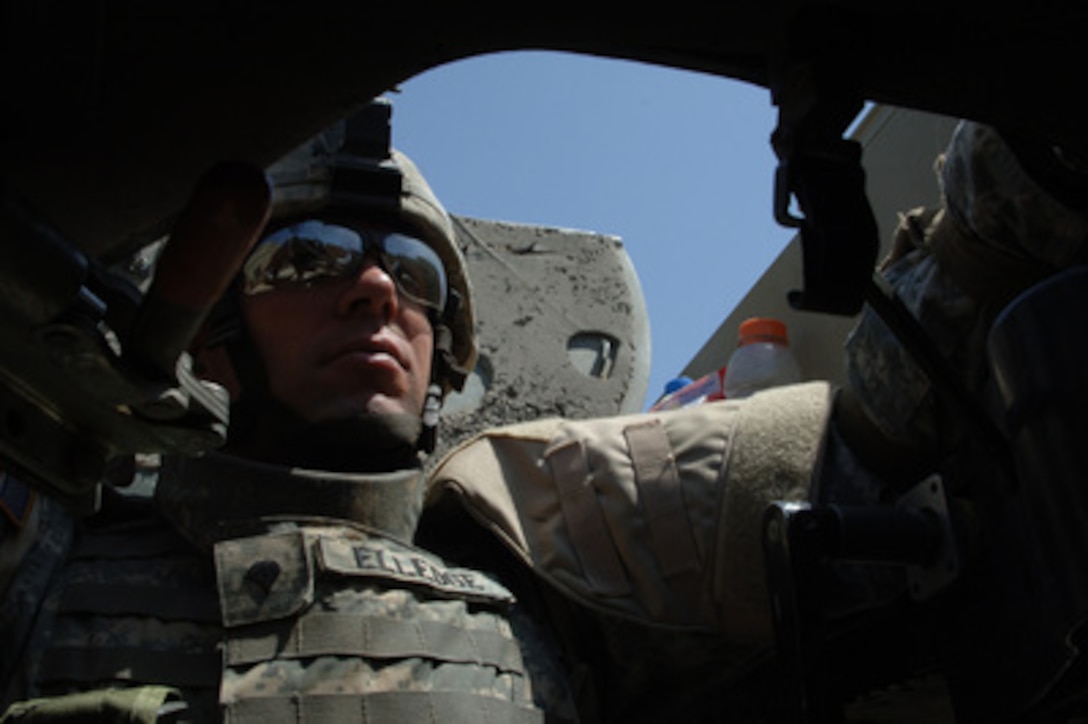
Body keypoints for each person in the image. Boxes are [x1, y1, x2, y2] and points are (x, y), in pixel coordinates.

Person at [2, 97, 1086, 723]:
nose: (374, 287)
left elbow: (870, 451)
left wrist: (1018, 172)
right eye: (310, 254)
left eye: (414, 275)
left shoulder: (546, 557)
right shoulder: (44, 550)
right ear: (211, 334)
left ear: (446, 352)